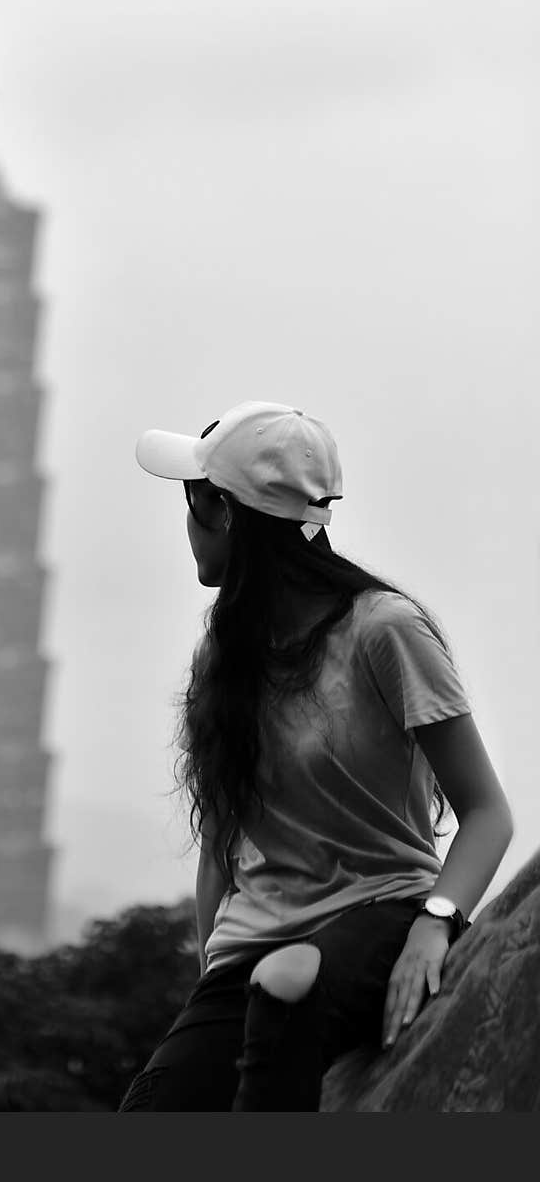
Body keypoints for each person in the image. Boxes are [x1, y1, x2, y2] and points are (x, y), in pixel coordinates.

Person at [118, 400, 513, 1112]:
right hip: (253, 953)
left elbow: (486, 812)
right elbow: (221, 845)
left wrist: (437, 921)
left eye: (193, 501)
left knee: (287, 986)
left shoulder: (384, 631)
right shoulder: (224, 655)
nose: (186, 524)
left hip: (380, 914)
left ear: (228, 514)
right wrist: (209, 992)